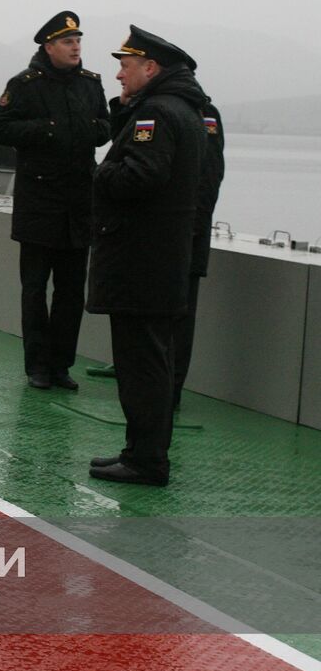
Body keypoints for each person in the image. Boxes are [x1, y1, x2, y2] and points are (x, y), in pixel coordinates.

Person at [86, 26, 206, 487]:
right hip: (157, 258)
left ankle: (148, 460)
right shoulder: (182, 109)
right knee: (147, 362)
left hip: (142, 260)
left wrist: (99, 173)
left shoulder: (157, 113)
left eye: (126, 65)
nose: (119, 74)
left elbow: (140, 175)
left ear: (150, 68)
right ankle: (139, 450)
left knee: (144, 366)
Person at [0, 12, 112, 391]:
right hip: (40, 203)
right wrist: (46, 130)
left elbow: (105, 128)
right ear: (49, 46)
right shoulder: (25, 85)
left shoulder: (91, 84)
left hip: (79, 204)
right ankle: (37, 365)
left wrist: (89, 130)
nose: (76, 47)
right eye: (68, 42)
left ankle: (62, 365)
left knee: (72, 293)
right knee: (35, 289)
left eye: (78, 41)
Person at [174, 88, 225, 411]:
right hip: (159, 242)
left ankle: (171, 392)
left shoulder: (204, 114)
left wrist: (187, 231)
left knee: (180, 318)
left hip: (186, 239)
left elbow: (209, 177)